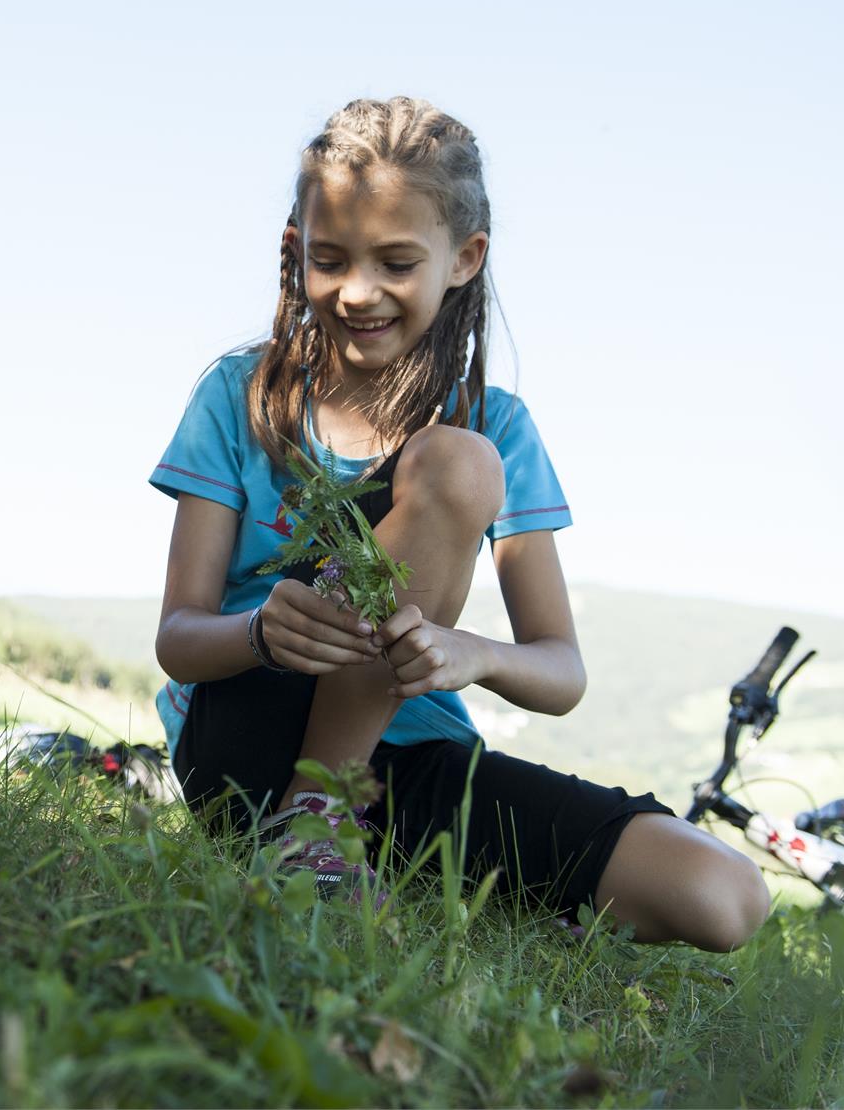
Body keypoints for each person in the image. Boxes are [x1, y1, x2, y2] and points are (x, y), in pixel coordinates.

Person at [150, 97, 768, 951]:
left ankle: (387, 866)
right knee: (459, 464)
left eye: (396, 262)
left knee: (723, 896)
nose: (358, 290)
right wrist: (258, 631)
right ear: (294, 251)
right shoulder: (241, 394)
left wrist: (474, 655)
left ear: (464, 258)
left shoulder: (498, 423)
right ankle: (310, 826)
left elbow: (561, 671)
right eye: (330, 260)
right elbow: (179, 638)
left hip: (409, 758)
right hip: (250, 738)